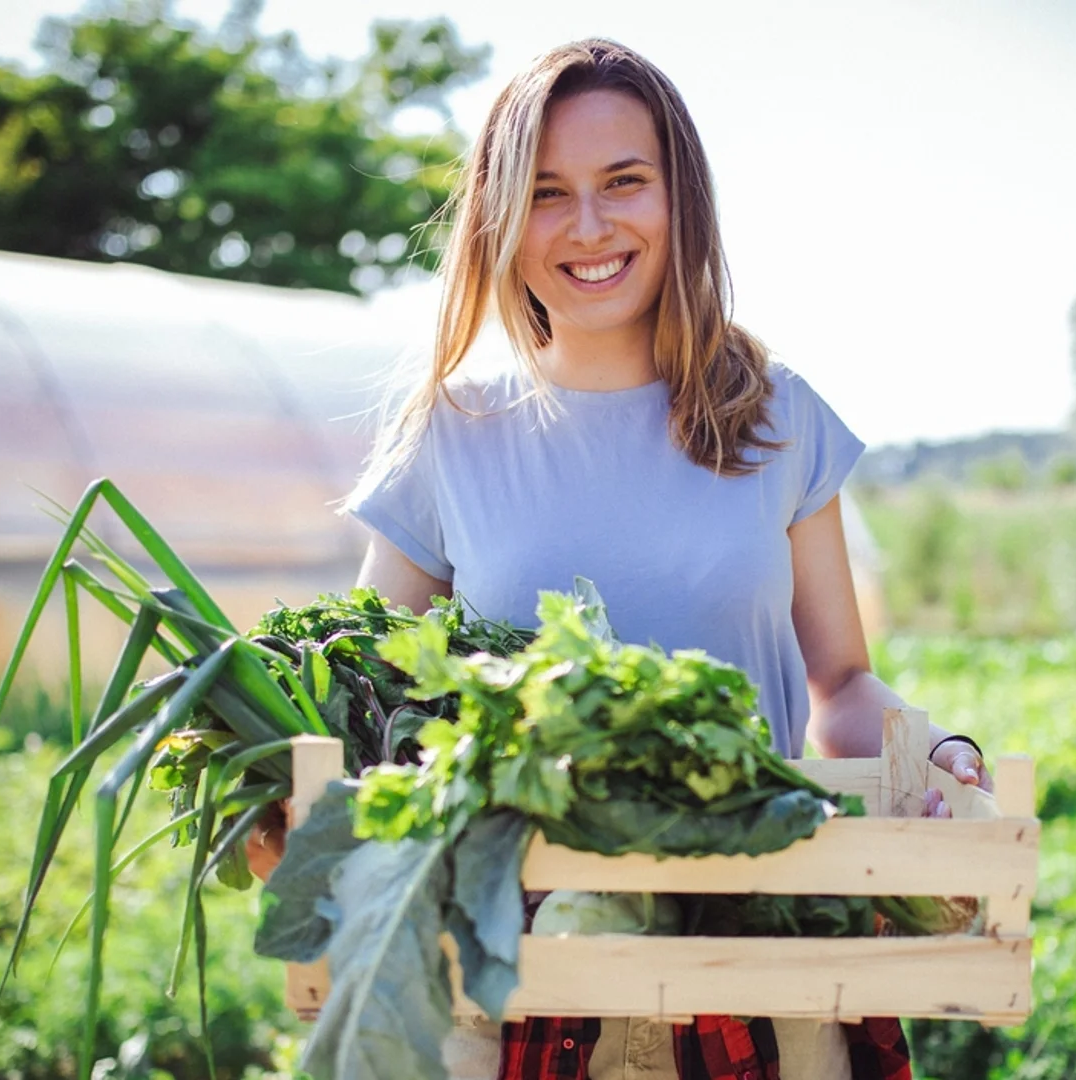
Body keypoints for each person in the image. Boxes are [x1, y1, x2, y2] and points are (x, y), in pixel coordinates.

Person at [248, 38, 993, 1080]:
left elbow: (839, 681)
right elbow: (366, 707)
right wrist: (290, 798)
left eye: (623, 183)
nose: (589, 228)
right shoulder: (451, 435)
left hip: (758, 952)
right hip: (521, 969)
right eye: (547, 192)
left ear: (678, 197)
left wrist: (935, 751)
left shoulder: (775, 417)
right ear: (499, 217)